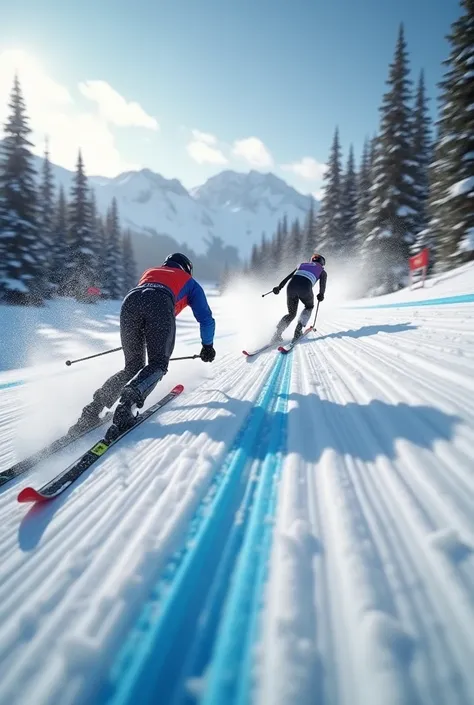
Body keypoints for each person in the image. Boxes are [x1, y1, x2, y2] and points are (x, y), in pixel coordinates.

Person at [69, 253, 216, 441]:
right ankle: (127, 404)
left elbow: (145, 302)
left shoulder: (151, 272)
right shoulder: (190, 282)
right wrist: (207, 346)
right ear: (187, 268)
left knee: (133, 365)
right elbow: (206, 319)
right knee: (158, 364)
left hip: (129, 303)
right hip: (160, 304)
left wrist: (147, 333)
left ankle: (92, 410)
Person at [270, 253, 327, 343]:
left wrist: (279, 287)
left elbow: (288, 277)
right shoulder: (322, 271)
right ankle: (298, 330)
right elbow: (322, 285)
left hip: (291, 287)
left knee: (291, 314)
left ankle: (277, 334)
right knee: (309, 307)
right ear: (322, 262)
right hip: (305, 288)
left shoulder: (302, 265)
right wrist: (321, 294)